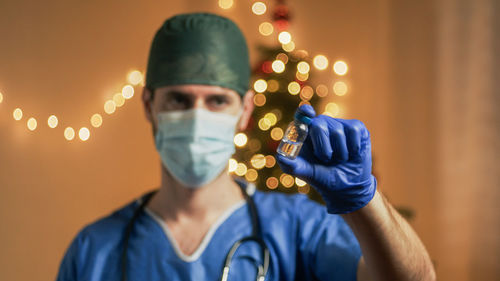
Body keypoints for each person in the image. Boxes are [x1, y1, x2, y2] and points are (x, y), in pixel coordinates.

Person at [56, 12, 436, 281]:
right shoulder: (94, 249)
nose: (197, 116)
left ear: (245, 111)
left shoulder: (298, 228)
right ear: (148, 106)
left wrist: (365, 202)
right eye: (179, 100)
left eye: (217, 100)